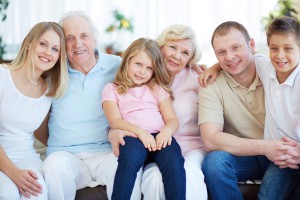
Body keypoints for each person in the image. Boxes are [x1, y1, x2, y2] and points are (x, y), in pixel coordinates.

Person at [39, 11, 141, 200]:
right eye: (69, 38)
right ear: (62, 45)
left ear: (94, 39)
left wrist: (201, 66)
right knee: (54, 167)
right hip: (65, 155)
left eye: (84, 35)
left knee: (129, 166)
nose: (78, 44)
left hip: (107, 152)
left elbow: (153, 68)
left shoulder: (118, 66)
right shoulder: (52, 72)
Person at [198, 20, 297, 200]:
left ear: (251, 45)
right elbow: (210, 139)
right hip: (246, 154)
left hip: (282, 153)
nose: (229, 57)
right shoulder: (210, 84)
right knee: (214, 163)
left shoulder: (272, 69)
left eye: (235, 47)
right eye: (222, 52)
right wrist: (265, 147)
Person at [109, 24, 208, 200]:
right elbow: (116, 118)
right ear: (160, 46)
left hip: (185, 145)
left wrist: (215, 68)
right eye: (172, 47)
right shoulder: (138, 82)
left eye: (185, 53)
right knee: (152, 178)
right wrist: (115, 132)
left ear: (191, 58)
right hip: (143, 142)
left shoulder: (197, 78)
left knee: (187, 173)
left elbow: (171, 119)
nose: (177, 56)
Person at [102, 37, 185, 200]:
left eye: (149, 68)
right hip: (133, 137)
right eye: (138, 64)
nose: (142, 72)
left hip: (159, 136)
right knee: (129, 159)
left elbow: (172, 119)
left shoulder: (156, 88)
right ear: (127, 61)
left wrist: (167, 132)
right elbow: (115, 121)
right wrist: (141, 133)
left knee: (174, 162)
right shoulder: (112, 89)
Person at [0, 22, 67, 199]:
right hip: (2, 159)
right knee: (7, 194)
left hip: (27, 158)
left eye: (55, 49)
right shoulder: (2, 77)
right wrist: (14, 173)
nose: (48, 53)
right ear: (29, 44)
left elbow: (42, 133)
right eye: (43, 44)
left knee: (38, 194)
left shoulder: (49, 90)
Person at [254, 16, 300, 198]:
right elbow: (238, 58)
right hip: (280, 158)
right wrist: (213, 68)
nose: (280, 55)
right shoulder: (266, 68)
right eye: (274, 48)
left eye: (288, 48)